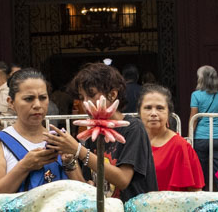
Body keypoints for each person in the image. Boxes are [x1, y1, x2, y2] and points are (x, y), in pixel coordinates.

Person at [47, 62, 157, 202]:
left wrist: (78, 149)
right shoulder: (93, 136)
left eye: (91, 95)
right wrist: (69, 160)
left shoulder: (133, 128)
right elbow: (86, 186)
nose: (85, 103)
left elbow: (123, 180)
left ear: (112, 94)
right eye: (82, 97)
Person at [0, 68, 78, 195]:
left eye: (43, 98)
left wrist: (69, 163)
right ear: (11, 102)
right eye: (29, 98)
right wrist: (24, 166)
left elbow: (82, 193)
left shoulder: (60, 139)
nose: (37, 105)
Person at [140, 84, 204, 192]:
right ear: (139, 112)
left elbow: (195, 193)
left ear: (169, 112)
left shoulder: (181, 146)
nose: (153, 113)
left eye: (160, 108)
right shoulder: (132, 143)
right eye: (148, 108)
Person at [190, 64, 218, 190]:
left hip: (201, 137)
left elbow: (194, 118)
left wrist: (190, 136)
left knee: (200, 170)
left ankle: (202, 193)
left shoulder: (196, 95)